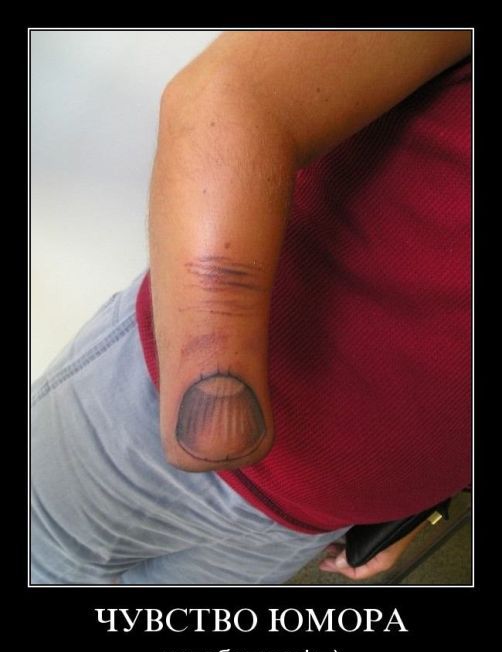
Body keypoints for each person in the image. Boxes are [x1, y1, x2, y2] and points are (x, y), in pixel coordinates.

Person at [31, 30, 472, 585]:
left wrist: (414, 509)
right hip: (147, 427)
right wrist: (208, 409)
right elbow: (231, 99)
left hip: (300, 524)